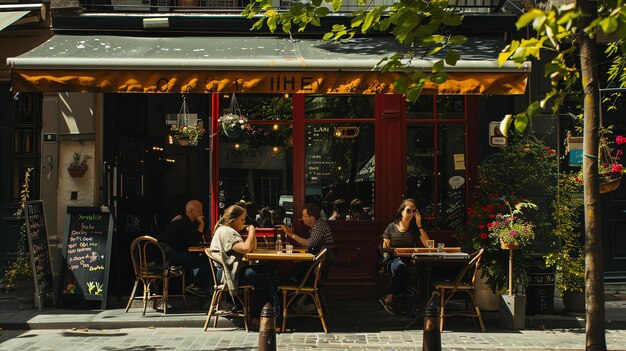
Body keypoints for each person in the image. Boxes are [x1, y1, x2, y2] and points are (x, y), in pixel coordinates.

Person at [209, 204, 279, 325]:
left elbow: (252, 248)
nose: (243, 223)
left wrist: (251, 234)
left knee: (265, 275)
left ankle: (255, 314)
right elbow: (246, 248)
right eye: (241, 220)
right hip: (229, 274)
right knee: (270, 273)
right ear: (233, 220)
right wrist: (252, 229)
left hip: (227, 272)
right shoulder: (228, 232)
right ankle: (269, 315)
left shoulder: (224, 230)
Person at [280, 202, 335, 312]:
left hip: (316, 271)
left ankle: (290, 303)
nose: (301, 218)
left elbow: (309, 244)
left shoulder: (319, 226)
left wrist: (291, 234)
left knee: (294, 275)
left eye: (304, 216)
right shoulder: (317, 225)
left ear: (312, 218)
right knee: (295, 272)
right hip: (315, 266)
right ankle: (292, 303)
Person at [379, 198, 430, 315]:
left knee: (422, 269)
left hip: (411, 260)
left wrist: (419, 224)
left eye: (414, 211)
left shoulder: (414, 228)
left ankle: (416, 304)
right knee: (401, 267)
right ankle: (391, 297)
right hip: (394, 260)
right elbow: (385, 249)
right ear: (401, 211)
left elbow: (428, 244)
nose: (411, 214)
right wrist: (392, 252)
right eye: (408, 210)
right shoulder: (391, 227)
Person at [160, 199, 211, 297]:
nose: (202, 213)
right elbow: (195, 241)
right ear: (191, 211)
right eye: (200, 211)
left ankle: (198, 287)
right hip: (171, 256)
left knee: (204, 259)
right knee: (207, 261)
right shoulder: (182, 221)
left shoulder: (188, 222)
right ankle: (195, 286)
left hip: (175, 254)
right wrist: (202, 224)